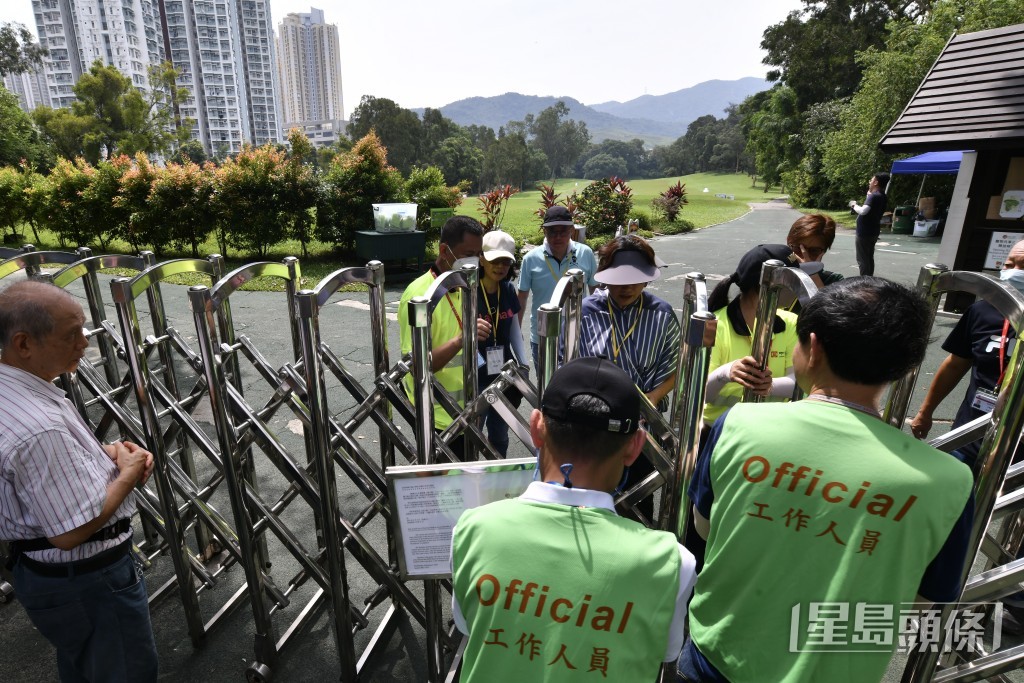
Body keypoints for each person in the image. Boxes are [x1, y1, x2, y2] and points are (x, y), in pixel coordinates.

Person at [677, 277, 974, 683]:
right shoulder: (949, 480)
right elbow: (926, 603)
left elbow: (704, 526)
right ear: (906, 367)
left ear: (812, 347)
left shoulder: (740, 424)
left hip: (717, 656)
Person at [452, 357, 697, 682]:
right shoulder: (671, 563)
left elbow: (466, 624)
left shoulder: (473, 530)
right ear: (635, 446)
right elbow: (665, 653)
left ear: (537, 426)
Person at [0, 280, 158, 682]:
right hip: (88, 580)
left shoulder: (15, 388)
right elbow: (70, 532)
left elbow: (28, 472)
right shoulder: (39, 428)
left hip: (52, 578)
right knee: (121, 670)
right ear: (23, 344)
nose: (84, 343)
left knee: (88, 664)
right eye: (71, 334)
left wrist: (104, 453)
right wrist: (128, 473)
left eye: (83, 329)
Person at [577, 235, 679, 521]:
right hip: (595, 426)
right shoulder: (586, 312)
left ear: (647, 279)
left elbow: (676, 366)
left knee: (639, 501)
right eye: (620, 279)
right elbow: (570, 365)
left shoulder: (661, 314)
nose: (627, 287)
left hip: (643, 427)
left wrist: (652, 399)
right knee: (592, 501)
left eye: (635, 279)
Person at [911, 239, 1024, 467]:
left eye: (1022, 267)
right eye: (1009, 265)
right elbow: (955, 364)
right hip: (968, 436)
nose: (1013, 273)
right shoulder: (982, 311)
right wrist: (925, 411)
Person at [398, 216, 490, 440]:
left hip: (464, 409)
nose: (474, 261)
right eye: (468, 254)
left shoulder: (463, 285)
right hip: (434, 414)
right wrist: (461, 339)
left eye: (478, 254)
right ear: (443, 250)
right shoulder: (419, 295)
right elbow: (417, 365)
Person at [703, 244, 800, 432]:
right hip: (719, 432)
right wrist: (725, 373)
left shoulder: (791, 323)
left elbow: (800, 383)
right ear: (768, 287)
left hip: (771, 431)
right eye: (793, 282)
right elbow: (697, 395)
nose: (798, 289)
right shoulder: (715, 326)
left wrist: (770, 386)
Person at [518, 205, 598, 371]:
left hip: (579, 333)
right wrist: (518, 333)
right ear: (544, 232)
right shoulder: (530, 259)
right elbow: (522, 297)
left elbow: (595, 292)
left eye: (563, 231)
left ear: (572, 230)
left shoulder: (585, 253)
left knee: (578, 384)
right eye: (552, 231)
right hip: (543, 335)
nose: (558, 237)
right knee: (547, 387)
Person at [476, 230, 529, 456]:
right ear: (481, 259)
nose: (500, 267)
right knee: (473, 429)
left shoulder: (508, 289)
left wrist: (524, 364)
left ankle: (497, 474)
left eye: (506, 262)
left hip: (504, 373)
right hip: (476, 374)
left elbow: (514, 329)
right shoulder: (468, 291)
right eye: (494, 260)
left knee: (500, 432)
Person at [785, 214, 844, 313]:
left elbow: (831, 314)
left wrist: (812, 273)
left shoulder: (834, 280)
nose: (805, 256)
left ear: (824, 251)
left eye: (814, 251)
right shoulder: (775, 270)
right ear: (788, 242)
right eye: (798, 248)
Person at [849, 172, 890, 276]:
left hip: (864, 232)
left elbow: (863, 211)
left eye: (871, 180)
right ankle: (869, 279)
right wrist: (869, 195)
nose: (870, 182)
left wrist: (854, 205)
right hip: (873, 231)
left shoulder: (874, 196)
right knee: (869, 258)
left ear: (876, 182)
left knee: (862, 260)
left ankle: (864, 282)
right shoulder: (882, 196)